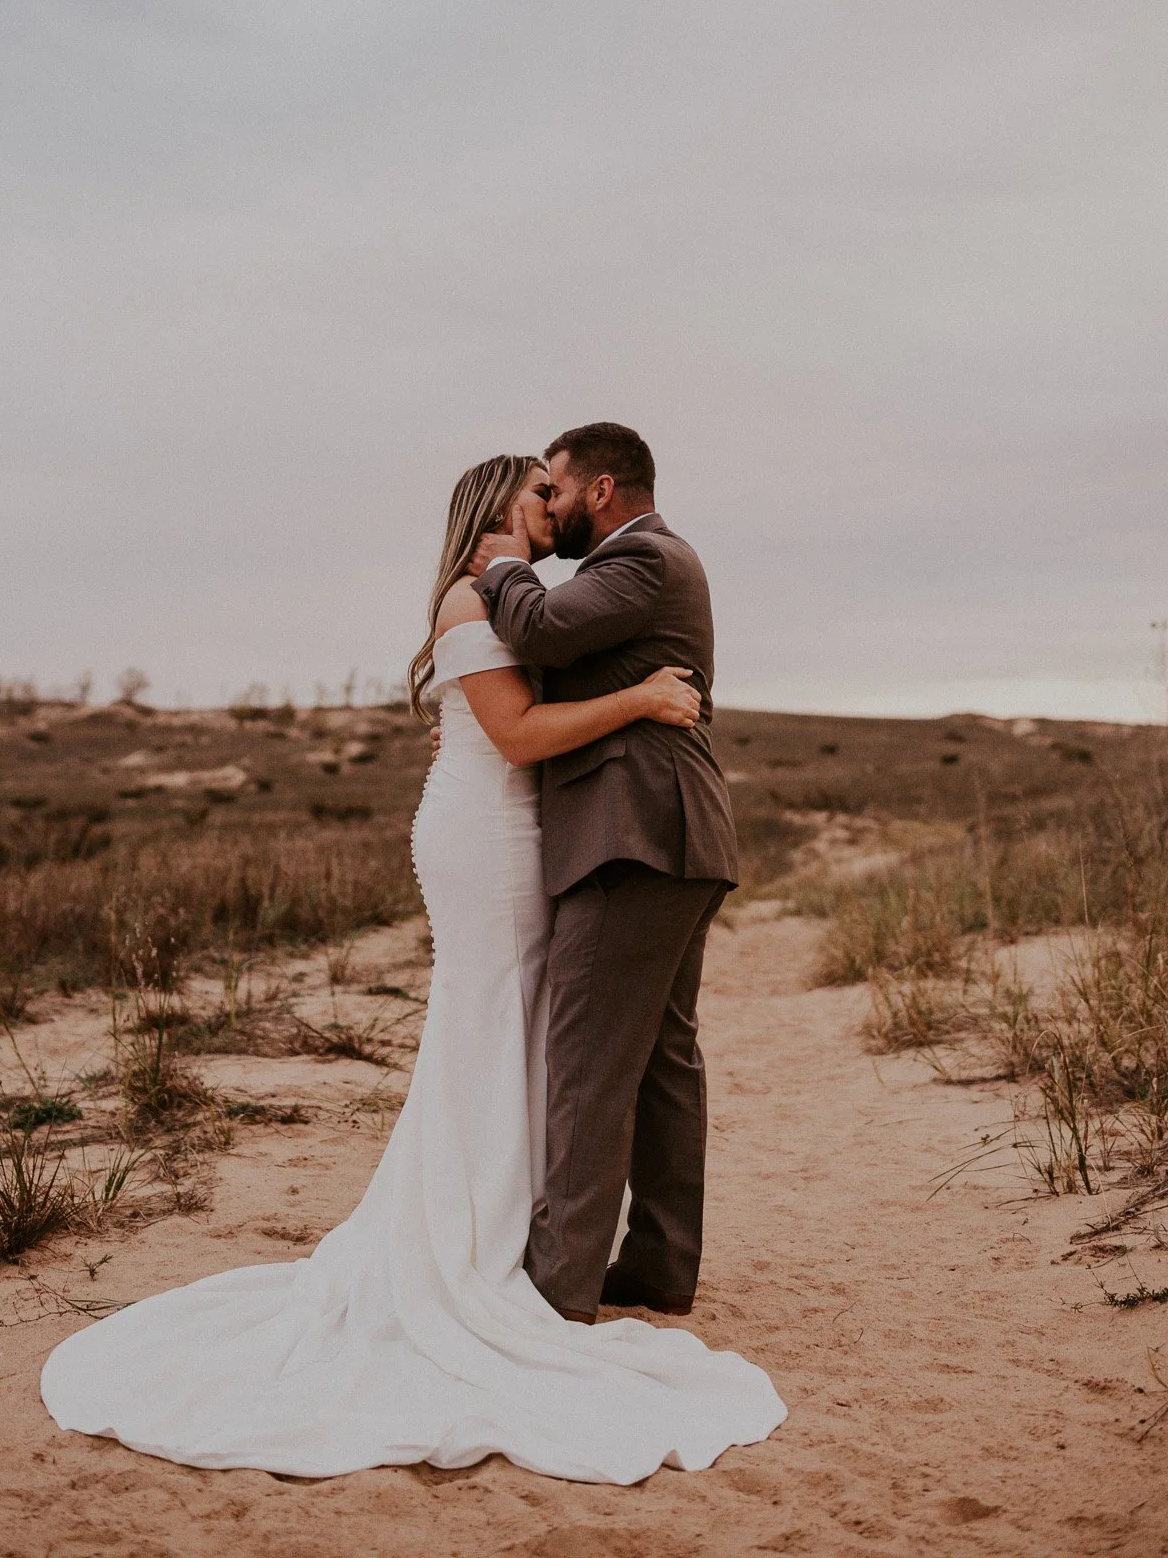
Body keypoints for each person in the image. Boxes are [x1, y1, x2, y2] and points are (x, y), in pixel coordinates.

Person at [39, 449, 784, 1483]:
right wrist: (641, 700)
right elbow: (518, 734)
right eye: (537, 491)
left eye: (557, 486)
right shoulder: (476, 597)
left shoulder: (516, 601)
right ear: (496, 508)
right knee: (497, 1023)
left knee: (524, 1032)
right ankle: (491, 1257)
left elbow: (523, 692)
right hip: (489, 837)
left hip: (523, 832)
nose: (551, 504)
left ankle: (527, 1243)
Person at [468, 422, 739, 1325]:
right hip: (671, 837)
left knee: (586, 1060)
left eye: (554, 489)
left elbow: (540, 631)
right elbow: (569, 678)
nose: (544, 506)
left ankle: (558, 1289)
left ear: (600, 489)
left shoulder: (642, 560)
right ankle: (660, 1266)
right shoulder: (649, 568)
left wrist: (502, 562)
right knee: (661, 1055)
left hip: (633, 841)